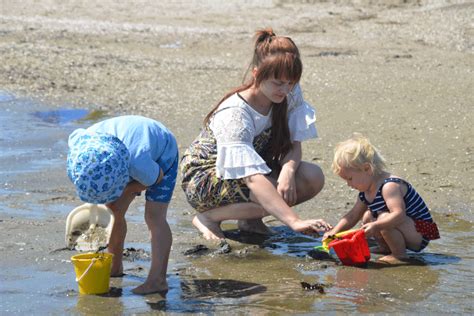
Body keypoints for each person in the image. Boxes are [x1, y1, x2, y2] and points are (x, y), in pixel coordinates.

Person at [180, 28, 331, 241]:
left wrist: (288, 171)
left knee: (311, 177)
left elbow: (293, 144)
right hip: (207, 178)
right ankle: (208, 218)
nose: (285, 90)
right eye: (278, 83)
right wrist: (294, 221)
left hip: (254, 170)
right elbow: (252, 178)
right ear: (257, 74)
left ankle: (250, 221)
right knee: (269, 193)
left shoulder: (288, 93)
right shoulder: (235, 113)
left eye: (290, 83)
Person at [67, 115, 178, 295]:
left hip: (162, 153)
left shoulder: (138, 163)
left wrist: (127, 190)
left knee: (154, 217)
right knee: (113, 210)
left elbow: (155, 179)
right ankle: (114, 266)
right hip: (120, 152)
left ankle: (158, 280)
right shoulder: (80, 148)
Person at [324, 134, 440, 263]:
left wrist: (376, 226)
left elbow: (399, 215)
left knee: (383, 218)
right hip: (405, 228)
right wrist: (333, 233)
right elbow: (352, 216)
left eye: (350, 178)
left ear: (367, 169)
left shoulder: (389, 185)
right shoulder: (365, 192)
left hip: (420, 232)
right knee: (368, 216)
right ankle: (386, 248)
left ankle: (399, 254)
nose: (348, 184)